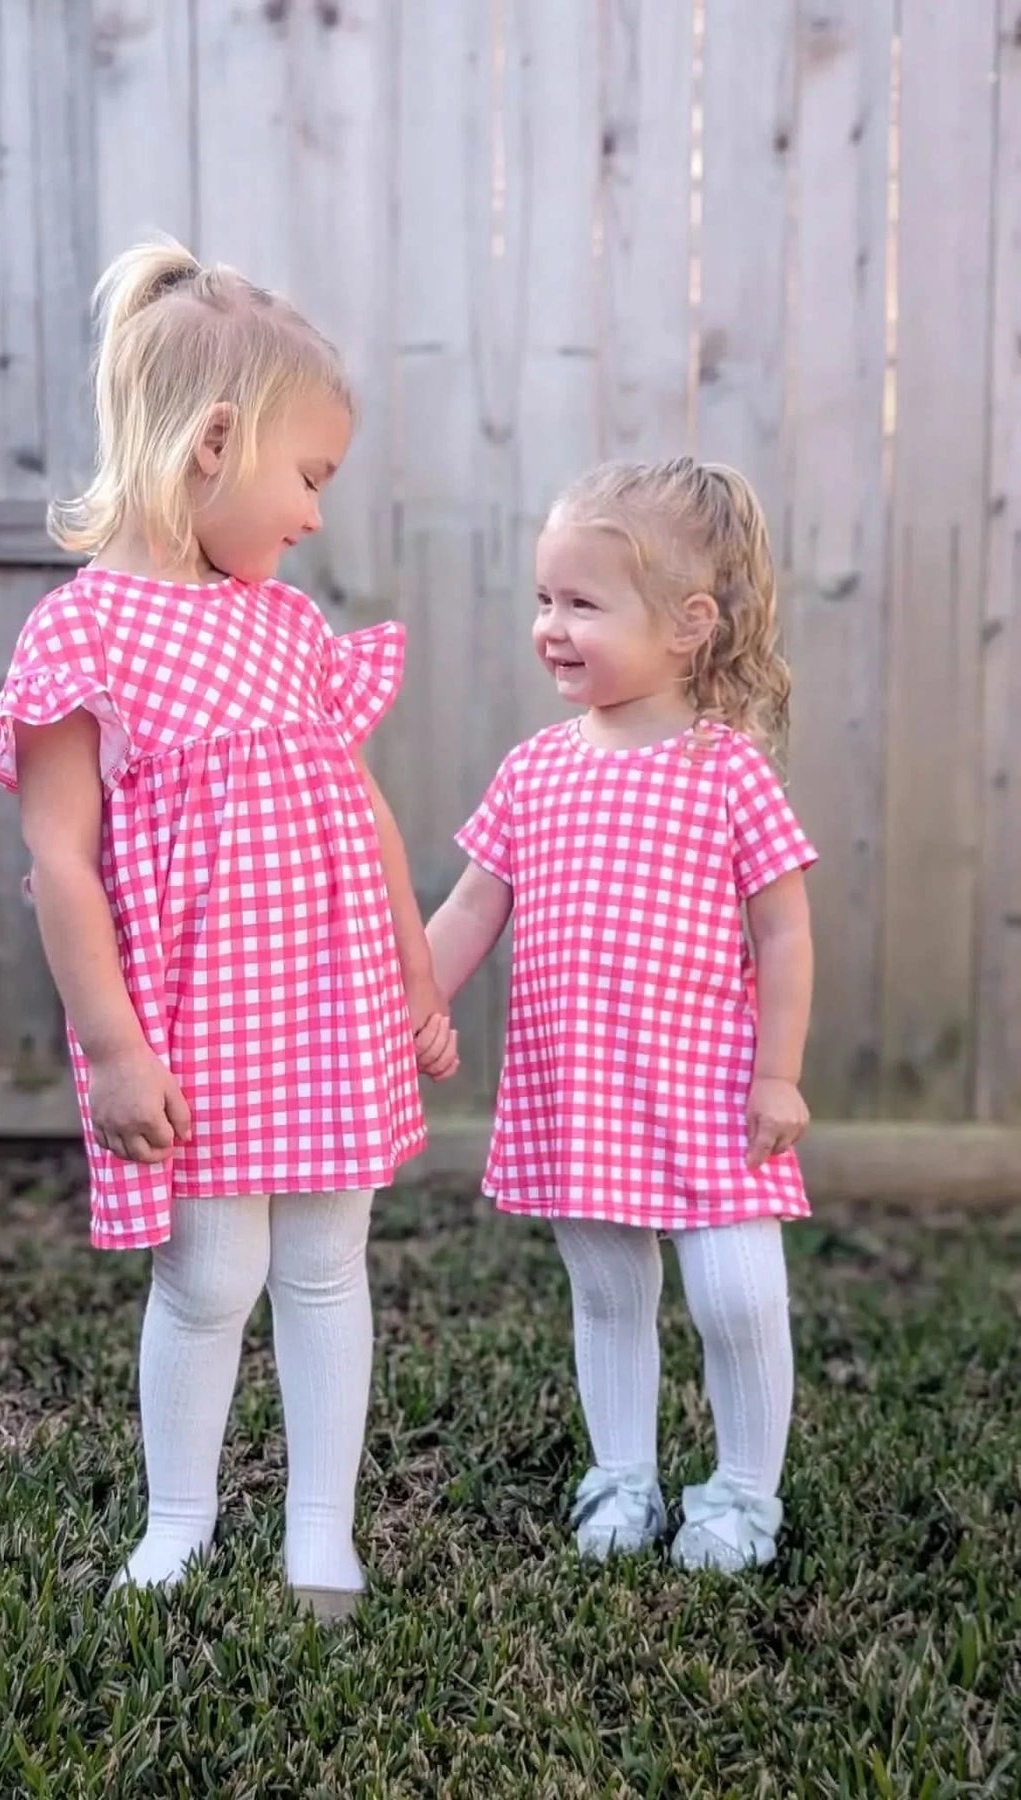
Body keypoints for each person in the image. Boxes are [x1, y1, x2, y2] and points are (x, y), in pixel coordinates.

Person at [0, 237, 457, 1617]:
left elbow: (365, 818)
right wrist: (113, 1049)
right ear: (215, 443)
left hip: (331, 1001)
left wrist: (416, 978)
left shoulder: (292, 630)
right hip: (194, 1021)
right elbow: (60, 858)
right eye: (308, 478)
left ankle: (319, 1528)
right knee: (211, 1273)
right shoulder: (87, 634)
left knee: (325, 1263)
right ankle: (179, 1522)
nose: (309, 517)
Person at [426, 458, 816, 1572]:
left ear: (690, 625)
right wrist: (410, 1004)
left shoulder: (726, 771)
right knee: (607, 1292)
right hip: (581, 1083)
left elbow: (783, 933)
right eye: (544, 599)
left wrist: (779, 1072)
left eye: (583, 603)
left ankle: (742, 1494)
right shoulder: (535, 769)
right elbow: (467, 906)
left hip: (709, 1084)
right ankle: (624, 1477)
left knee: (736, 1297)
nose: (551, 625)